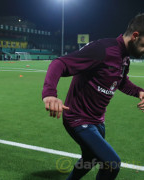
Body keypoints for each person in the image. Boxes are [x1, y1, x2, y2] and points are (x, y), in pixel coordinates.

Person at [42, 13, 144, 180]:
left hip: (97, 121)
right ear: (135, 36)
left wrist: (140, 91)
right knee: (112, 164)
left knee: (90, 159)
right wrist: (49, 94)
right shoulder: (102, 50)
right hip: (78, 118)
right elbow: (59, 63)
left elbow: (121, 82)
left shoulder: (124, 58)